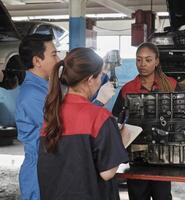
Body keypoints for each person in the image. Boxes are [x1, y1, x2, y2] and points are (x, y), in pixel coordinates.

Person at [37, 47, 129, 200]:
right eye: (100, 76)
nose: (100, 81)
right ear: (90, 79)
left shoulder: (51, 116)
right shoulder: (100, 117)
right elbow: (107, 173)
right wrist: (122, 140)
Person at [112, 42, 178, 200]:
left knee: (162, 195)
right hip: (137, 154)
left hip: (163, 154)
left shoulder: (171, 85)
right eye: (139, 60)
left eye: (148, 60)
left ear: (157, 61)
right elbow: (116, 119)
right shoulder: (128, 88)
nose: (143, 64)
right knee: (137, 195)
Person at [15, 33, 60, 200]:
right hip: (38, 169)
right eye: (54, 55)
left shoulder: (46, 88)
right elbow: (59, 125)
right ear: (37, 61)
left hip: (49, 162)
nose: (58, 59)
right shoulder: (32, 94)